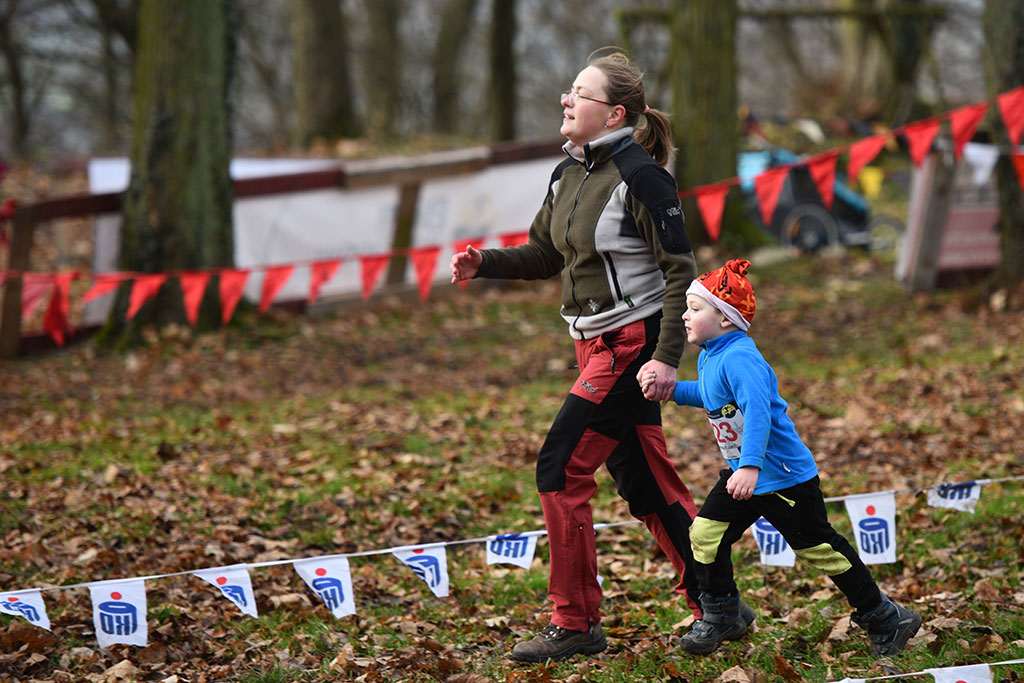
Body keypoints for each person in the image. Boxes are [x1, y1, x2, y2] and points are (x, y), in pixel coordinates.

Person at [451, 50, 735, 663]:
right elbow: (545, 255)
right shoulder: (567, 174)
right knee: (647, 486)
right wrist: (485, 264)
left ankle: (575, 622)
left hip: (632, 348)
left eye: (580, 92)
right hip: (590, 349)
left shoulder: (644, 178)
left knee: (559, 471)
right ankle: (719, 603)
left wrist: (666, 358)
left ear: (614, 114)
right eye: (569, 89)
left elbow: (679, 273)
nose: (566, 99)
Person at [641, 258, 922, 657]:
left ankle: (885, 617)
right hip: (744, 478)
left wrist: (751, 466)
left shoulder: (741, 358)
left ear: (725, 319)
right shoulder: (712, 355)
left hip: (783, 478)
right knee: (704, 534)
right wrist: (670, 391)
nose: (684, 316)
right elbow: (711, 394)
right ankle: (722, 613)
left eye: (695, 308)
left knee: (819, 550)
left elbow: (757, 412)